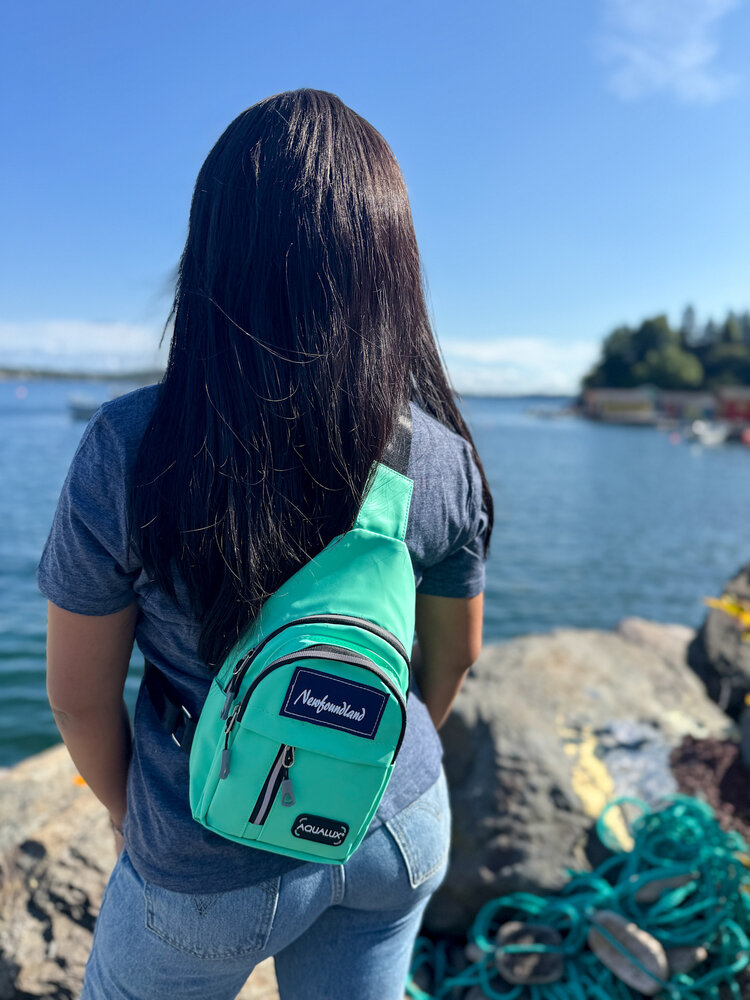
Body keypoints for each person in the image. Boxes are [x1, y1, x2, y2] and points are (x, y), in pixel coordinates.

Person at [38, 88, 493, 1000]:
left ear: (211, 253)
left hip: (208, 856)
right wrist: (354, 769)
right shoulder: (441, 459)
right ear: (390, 266)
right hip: (395, 825)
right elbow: (454, 661)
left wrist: (140, 826)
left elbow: (80, 701)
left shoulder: (131, 447)